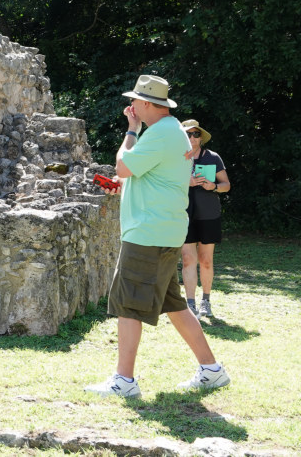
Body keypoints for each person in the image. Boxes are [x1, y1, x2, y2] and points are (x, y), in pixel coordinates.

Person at [85, 75, 230, 398]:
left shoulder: (159, 133)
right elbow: (144, 176)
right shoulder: (173, 131)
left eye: (135, 101)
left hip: (148, 232)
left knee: (128, 304)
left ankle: (124, 381)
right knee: (175, 304)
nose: (131, 106)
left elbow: (123, 166)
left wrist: (131, 131)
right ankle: (211, 370)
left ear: (147, 104)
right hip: (163, 229)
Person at [180, 119, 230, 317]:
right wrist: (187, 182)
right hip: (183, 213)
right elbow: (164, 183)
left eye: (196, 134)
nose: (192, 138)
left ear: (201, 137)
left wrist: (214, 186)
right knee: (187, 259)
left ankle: (205, 302)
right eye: (188, 134)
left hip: (209, 214)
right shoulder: (175, 158)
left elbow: (226, 184)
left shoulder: (213, 157)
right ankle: (190, 304)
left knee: (206, 260)